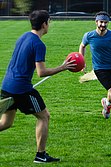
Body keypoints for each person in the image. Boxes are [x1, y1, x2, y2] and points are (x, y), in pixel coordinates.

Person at [0, 10, 76, 163]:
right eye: (50, 21)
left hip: (7, 85)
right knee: (44, 116)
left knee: (5, 123)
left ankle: (41, 155)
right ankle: (40, 155)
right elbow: (41, 72)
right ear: (44, 24)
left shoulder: (23, 37)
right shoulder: (38, 44)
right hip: (21, 89)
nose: (50, 25)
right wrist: (63, 67)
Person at [79, 11, 111, 128]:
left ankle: (107, 105)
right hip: (99, 69)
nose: (103, 25)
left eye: (105, 22)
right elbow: (82, 46)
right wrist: (82, 62)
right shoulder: (89, 36)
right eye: (101, 22)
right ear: (96, 22)